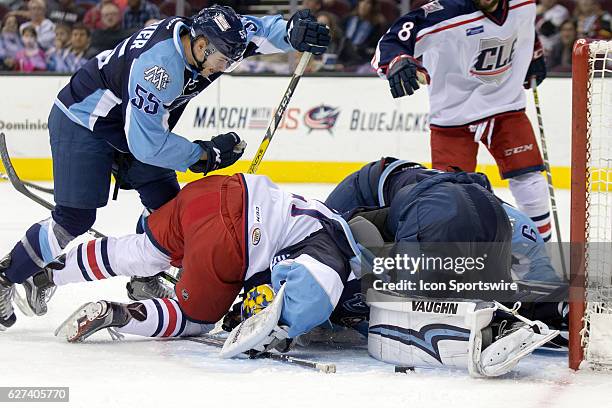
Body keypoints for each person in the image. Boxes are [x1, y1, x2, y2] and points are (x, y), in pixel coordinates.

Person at [6, 172, 554, 377]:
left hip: (208, 195)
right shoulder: (337, 238)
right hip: (246, 227)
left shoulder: (354, 219)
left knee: (135, 251)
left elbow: (353, 206)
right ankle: (128, 315)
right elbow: (322, 280)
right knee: (199, 317)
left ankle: (48, 271)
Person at [0, 5, 330, 329]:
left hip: (130, 125)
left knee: (169, 210)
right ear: (201, 46)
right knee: (75, 217)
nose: (223, 68)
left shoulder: (216, 37)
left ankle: (144, 278)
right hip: (85, 121)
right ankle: (8, 277)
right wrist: (205, 155)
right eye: (221, 62)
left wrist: (290, 32)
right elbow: (147, 146)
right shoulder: (158, 69)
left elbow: (257, 33)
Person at [372, 0, 554, 243]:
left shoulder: (524, 3)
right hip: (453, 117)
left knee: (530, 180)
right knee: (451, 197)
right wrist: (397, 60)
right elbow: (391, 40)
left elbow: (524, 25)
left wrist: (533, 52)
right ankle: (460, 264)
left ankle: (540, 253)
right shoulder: (446, 13)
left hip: (506, 105)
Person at [324, 157, 561, 284]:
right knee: (328, 240)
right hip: (373, 187)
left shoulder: (515, 227)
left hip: (412, 194)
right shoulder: (516, 226)